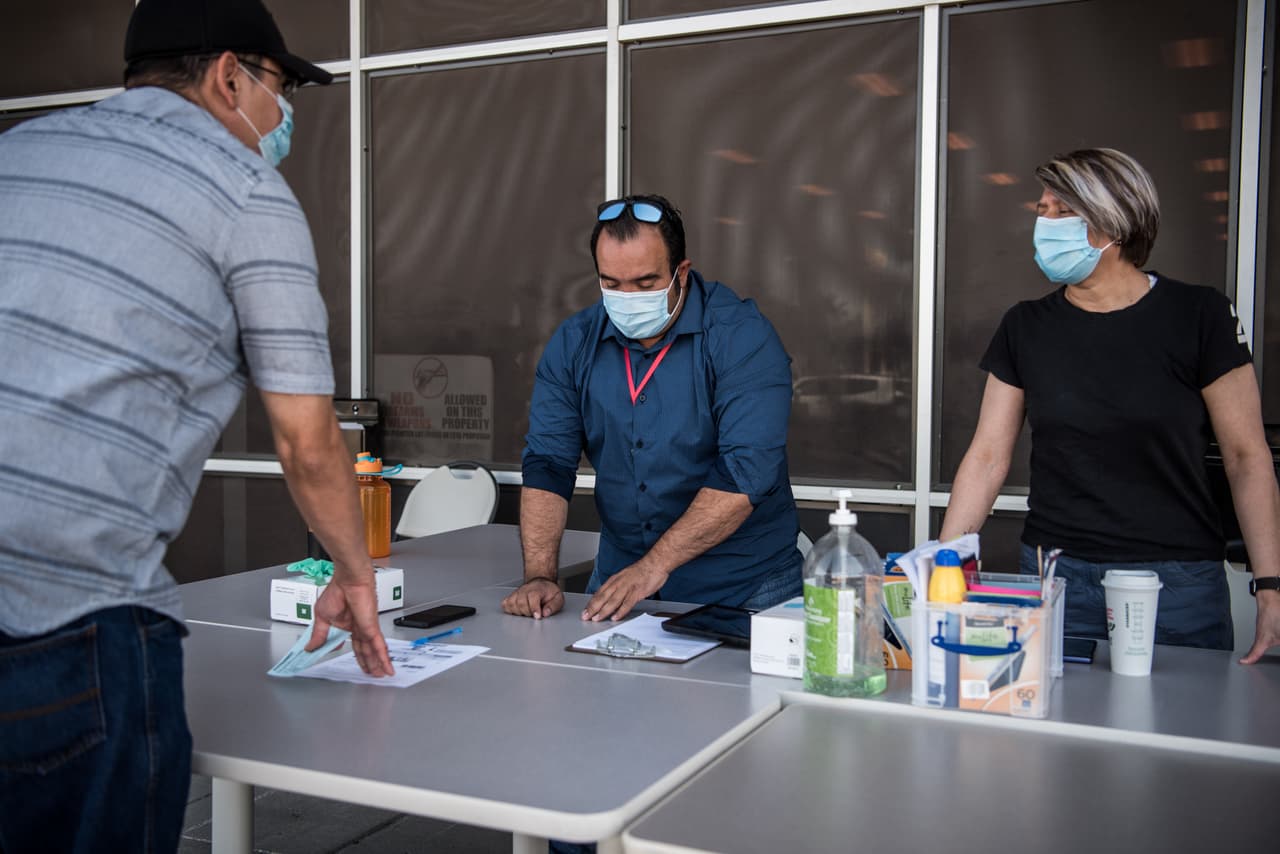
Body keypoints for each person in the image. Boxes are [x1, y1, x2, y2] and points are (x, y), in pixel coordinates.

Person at [0, 1, 393, 851]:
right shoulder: (246, 191)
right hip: (67, 623)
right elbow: (305, 437)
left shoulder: (17, 152)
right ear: (228, 75)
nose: (284, 116)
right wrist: (356, 577)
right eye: (281, 87)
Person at [939, 148, 1280, 664]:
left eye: (1061, 210)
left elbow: (1246, 457)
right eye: (1042, 208)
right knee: (1055, 737)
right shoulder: (1027, 326)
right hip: (1056, 575)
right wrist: (943, 563)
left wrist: (1270, 584)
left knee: (1182, 733)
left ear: (1111, 224)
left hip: (1174, 584)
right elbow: (987, 456)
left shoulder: (1198, 315)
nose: (1044, 221)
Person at [502, 195, 803, 624]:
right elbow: (548, 462)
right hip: (622, 579)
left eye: (644, 284)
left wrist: (653, 566)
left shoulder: (741, 337)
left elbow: (745, 472)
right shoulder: (575, 343)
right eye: (611, 283)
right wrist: (539, 576)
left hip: (744, 584)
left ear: (681, 271)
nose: (626, 297)